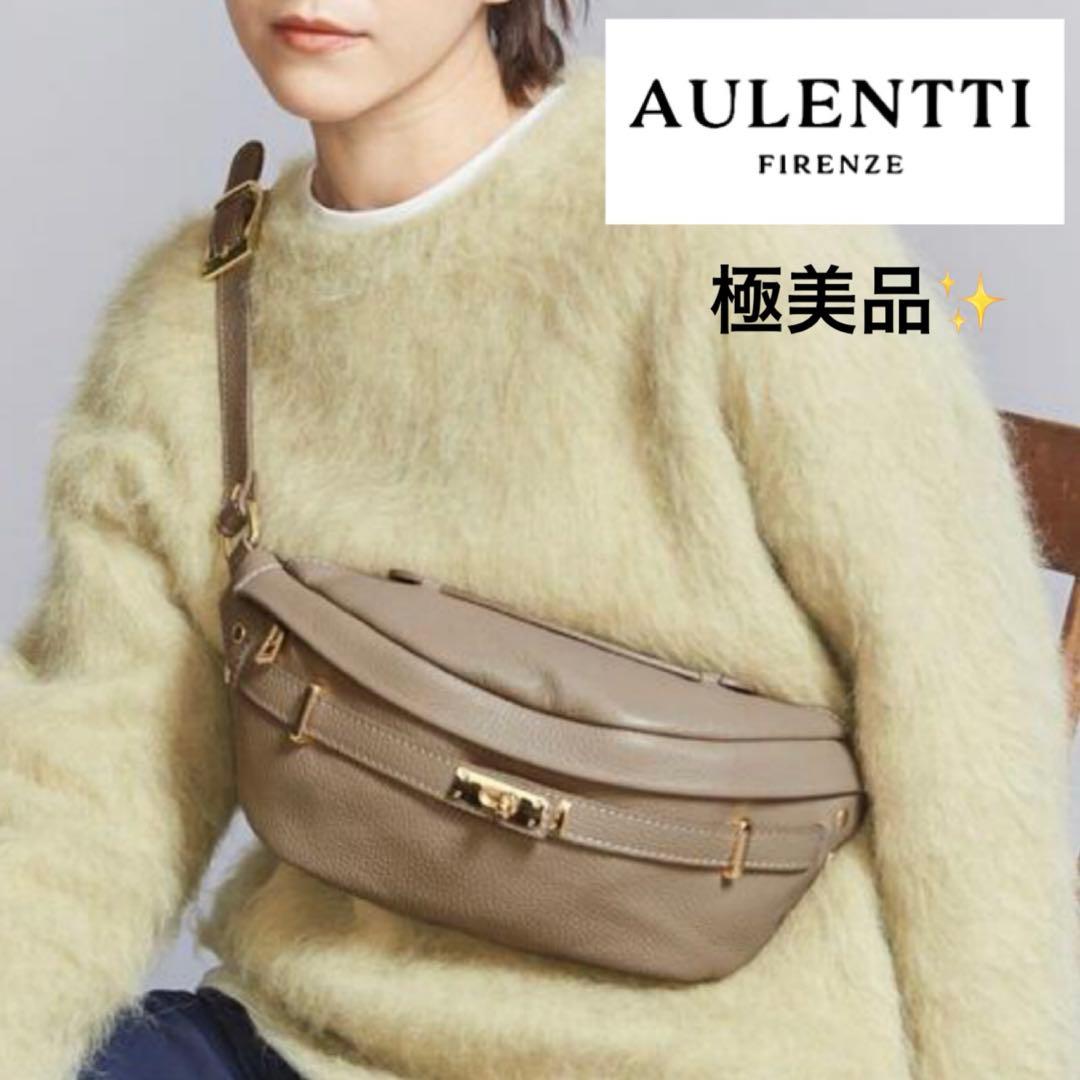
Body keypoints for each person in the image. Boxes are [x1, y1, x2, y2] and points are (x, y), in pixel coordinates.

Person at [2, 1, 1076, 1078]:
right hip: (308, 1039)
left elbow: (966, 721)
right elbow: (90, 787)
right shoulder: (192, 315)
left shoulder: (752, 231)